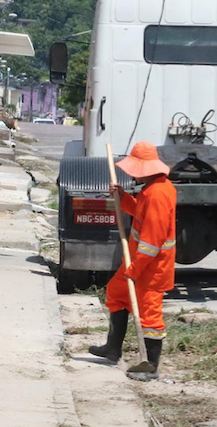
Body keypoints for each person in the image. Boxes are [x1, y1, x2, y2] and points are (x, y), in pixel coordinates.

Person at [88, 141, 177, 381]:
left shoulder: (158, 193)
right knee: (116, 292)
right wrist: (123, 197)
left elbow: (152, 241)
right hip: (141, 262)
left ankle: (151, 366)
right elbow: (140, 213)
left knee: (149, 314)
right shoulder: (152, 189)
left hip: (152, 268)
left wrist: (135, 270)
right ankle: (112, 349)